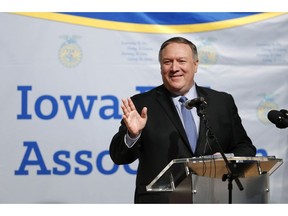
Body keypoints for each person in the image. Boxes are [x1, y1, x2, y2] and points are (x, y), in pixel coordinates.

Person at [109, 36, 256, 203]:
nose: (174, 68)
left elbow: (246, 148)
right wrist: (132, 135)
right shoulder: (141, 104)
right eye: (167, 62)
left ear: (195, 65)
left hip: (214, 200)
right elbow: (118, 156)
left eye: (181, 61)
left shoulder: (221, 102)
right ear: (160, 67)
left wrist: (225, 160)